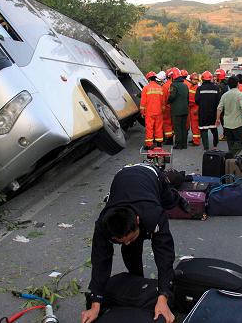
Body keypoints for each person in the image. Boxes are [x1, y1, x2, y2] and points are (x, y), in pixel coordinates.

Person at [81, 163, 187, 323]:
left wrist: (163, 296)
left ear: (137, 220)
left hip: (152, 176)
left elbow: (164, 256)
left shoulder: (154, 216)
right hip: (123, 177)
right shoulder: (103, 225)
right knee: (131, 250)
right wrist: (95, 304)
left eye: (130, 237)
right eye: (122, 241)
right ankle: (137, 282)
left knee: (170, 200)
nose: (127, 243)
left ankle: (178, 196)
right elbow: (100, 261)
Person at [216, 76, 242, 156]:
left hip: (227, 124)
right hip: (237, 124)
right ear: (238, 84)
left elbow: (219, 108)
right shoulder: (240, 95)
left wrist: (218, 119)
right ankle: (230, 155)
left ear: (228, 84)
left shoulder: (224, 95)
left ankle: (231, 163)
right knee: (240, 142)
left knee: (230, 143)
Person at [196, 70, 220, 150]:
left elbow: (197, 100)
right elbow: (218, 101)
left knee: (204, 129)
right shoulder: (216, 88)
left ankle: (206, 147)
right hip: (213, 112)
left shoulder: (199, 88)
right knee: (214, 128)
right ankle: (215, 145)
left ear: (202, 79)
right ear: (211, 78)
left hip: (203, 112)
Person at [140, 71, 164, 149]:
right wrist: (162, 110)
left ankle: (149, 145)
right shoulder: (160, 88)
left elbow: (143, 102)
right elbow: (163, 102)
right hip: (159, 112)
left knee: (149, 128)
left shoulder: (146, 88)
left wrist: (142, 112)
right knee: (159, 127)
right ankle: (159, 144)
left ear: (148, 79)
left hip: (149, 112)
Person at [168, 68, 189, 149]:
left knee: (177, 128)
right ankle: (184, 144)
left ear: (173, 76)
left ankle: (178, 144)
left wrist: (168, 101)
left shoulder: (173, 85)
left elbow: (172, 96)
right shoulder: (185, 85)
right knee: (184, 127)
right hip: (185, 110)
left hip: (176, 111)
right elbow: (187, 98)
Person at [187, 72, 201, 146]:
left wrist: (197, 109)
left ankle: (196, 141)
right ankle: (195, 139)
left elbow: (198, 100)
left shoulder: (197, 88)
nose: (194, 81)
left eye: (195, 80)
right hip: (192, 107)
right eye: (193, 79)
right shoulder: (191, 87)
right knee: (193, 125)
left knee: (195, 126)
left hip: (195, 108)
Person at [162, 69, 174, 145]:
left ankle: (169, 139)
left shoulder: (165, 86)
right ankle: (171, 137)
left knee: (167, 123)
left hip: (167, 108)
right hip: (174, 108)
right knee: (173, 123)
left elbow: (163, 99)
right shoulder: (175, 85)